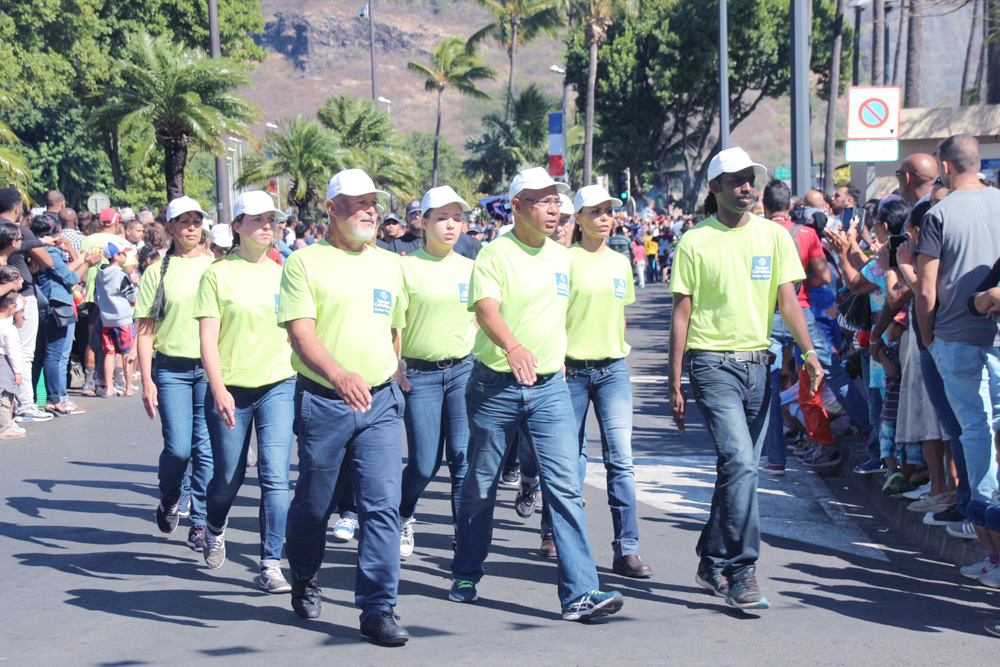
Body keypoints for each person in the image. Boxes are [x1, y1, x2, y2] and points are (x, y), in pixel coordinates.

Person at [449, 166, 624, 622]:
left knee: (566, 487)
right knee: (481, 484)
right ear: (517, 207)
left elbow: (564, 313)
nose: (553, 209)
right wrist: (513, 345)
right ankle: (466, 570)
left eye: (556, 201)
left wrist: (562, 353)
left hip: (549, 389)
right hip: (495, 387)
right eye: (542, 201)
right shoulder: (494, 255)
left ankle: (580, 594)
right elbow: (485, 308)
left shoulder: (561, 257)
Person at [668, 148, 822, 610]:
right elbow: (682, 312)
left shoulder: (774, 236)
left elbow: (789, 301)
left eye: (750, 179)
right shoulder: (695, 241)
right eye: (734, 180)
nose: (746, 187)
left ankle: (710, 559)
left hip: (761, 365)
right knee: (740, 462)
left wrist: (809, 352)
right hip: (711, 364)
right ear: (714, 188)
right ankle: (742, 569)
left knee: (739, 472)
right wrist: (673, 380)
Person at [279, 168, 410, 646]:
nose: (369, 210)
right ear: (331, 209)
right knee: (315, 506)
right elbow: (301, 332)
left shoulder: (390, 264)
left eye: (372, 201)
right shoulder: (304, 263)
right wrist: (339, 374)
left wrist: (392, 371)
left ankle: (378, 608)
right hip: (323, 401)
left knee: (381, 506)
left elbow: (395, 327)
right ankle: (305, 574)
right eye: (357, 203)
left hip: (379, 402)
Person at [194, 191, 297, 594]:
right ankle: (215, 525)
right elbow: (207, 339)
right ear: (237, 226)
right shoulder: (217, 274)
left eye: (271, 218)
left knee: (276, 477)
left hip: (278, 384)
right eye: (256, 219)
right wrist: (217, 387)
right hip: (230, 388)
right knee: (228, 479)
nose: (266, 225)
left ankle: (271, 562)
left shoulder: (284, 272)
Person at [916, 134, 1000, 577]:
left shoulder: (940, 213)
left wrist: (928, 339)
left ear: (945, 168)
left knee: (973, 432)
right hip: (995, 332)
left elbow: (926, 289)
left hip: (955, 336)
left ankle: (993, 539)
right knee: (994, 430)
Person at [564, 184, 650, 577]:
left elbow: (621, 314)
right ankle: (556, 531)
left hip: (613, 369)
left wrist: (616, 344)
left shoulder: (620, 262)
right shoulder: (563, 261)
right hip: (570, 371)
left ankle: (626, 548)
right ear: (577, 218)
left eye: (608, 210)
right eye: (594, 211)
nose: (604, 217)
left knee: (621, 459)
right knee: (570, 460)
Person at [396, 185, 476, 559]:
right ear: (423, 222)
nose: (450, 225)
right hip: (420, 377)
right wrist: (395, 363)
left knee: (462, 459)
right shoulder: (405, 266)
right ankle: (403, 512)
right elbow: (394, 325)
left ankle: (464, 540)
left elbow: (481, 316)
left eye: (456, 218)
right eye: (441, 217)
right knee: (424, 464)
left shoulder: (472, 268)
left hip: (462, 372)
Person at [136, 196, 215, 553]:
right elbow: (145, 331)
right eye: (183, 221)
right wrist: (147, 381)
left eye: (196, 220)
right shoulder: (157, 272)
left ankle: (199, 522)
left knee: (206, 449)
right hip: (172, 371)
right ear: (169, 227)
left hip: (210, 370)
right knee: (179, 449)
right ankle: (170, 494)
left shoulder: (217, 268)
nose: (191, 227)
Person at [30, 214, 100, 414]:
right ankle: (57, 398)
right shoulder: (49, 250)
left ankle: (41, 398)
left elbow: (62, 271)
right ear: (54, 233)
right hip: (58, 306)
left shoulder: (39, 251)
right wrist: (87, 263)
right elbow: (70, 277)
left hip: (49, 306)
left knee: (43, 354)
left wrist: (76, 256)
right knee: (57, 355)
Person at [0, 187, 55, 424]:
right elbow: (47, 260)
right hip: (21, 295)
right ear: (17, 208)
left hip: (7, 298)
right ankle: (25, 405)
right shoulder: (18, 230)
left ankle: (12, 407)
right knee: (22, 352)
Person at [95, 241, 137, 399]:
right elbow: (132, 296)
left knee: (109, 353)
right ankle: (128, 387)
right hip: (123, 319)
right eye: (123, 254)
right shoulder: (121, 275)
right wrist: (134, 284)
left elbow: (96, 296)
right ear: (116, 256)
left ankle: (109, 387)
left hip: (106, 318)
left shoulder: (100, 274)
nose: (125, 256)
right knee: (127, 353)